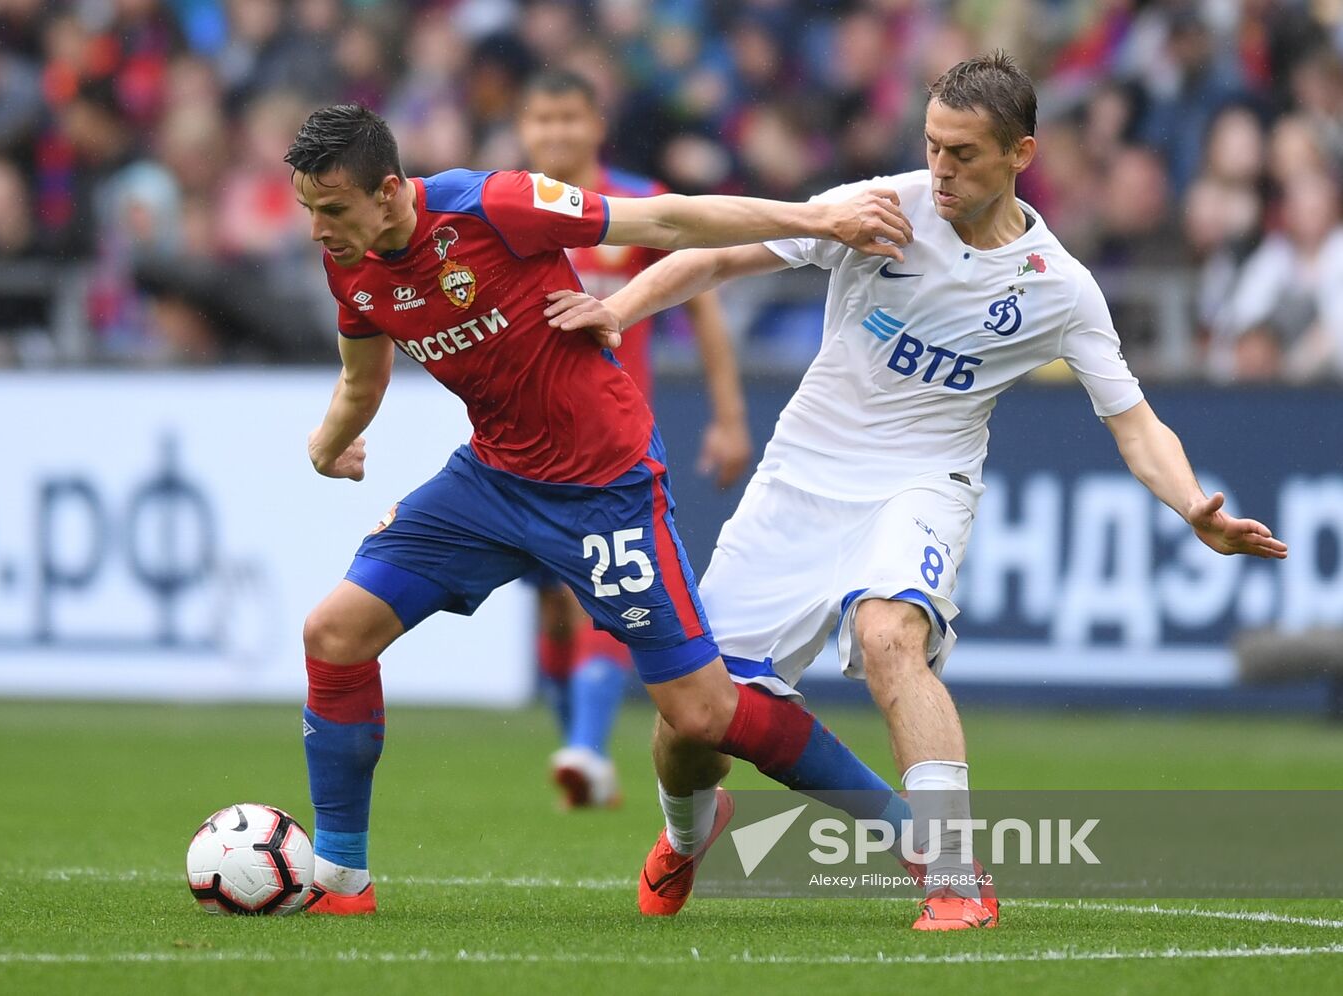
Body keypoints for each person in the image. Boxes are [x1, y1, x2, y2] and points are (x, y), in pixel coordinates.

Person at [547, 51, 1289, 930]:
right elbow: (723, 258)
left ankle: (954, 877)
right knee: (691, 723)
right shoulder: (882, 207)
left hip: (921, 483)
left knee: (892, 632)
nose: (939, 169)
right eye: (932, 145)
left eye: (963, 154)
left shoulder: (1060, 289)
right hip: (800, 479)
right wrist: (621, 308)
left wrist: (1190, 505)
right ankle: (688, 836)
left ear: (1021, 154)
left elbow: (1132, 421)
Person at [286, 103, 923, 916]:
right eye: (309, 210)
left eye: (331, 210)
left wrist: (820, 219)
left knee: (701, 714)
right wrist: (328, 443)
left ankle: (909, 833)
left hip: (603, 488)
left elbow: (665, 218)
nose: (316, 231)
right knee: (333, 634)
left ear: (389, 191)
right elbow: (360, 383)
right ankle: (342, 883)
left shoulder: (493, 204)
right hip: (490, 481)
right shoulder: (350, 261)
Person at [516, 68, 752, 808]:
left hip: (608, 448)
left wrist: (729, 415)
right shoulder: (506, 208)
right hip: (517, 446)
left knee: (595, 587)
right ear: (525, 129)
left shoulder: (637, 208)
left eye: (568, 118)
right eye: (541, 120)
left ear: (596, 125)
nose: (555, 134)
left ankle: (585, 747)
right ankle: (578, 748)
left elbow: (702, 311)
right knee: (553, 605)